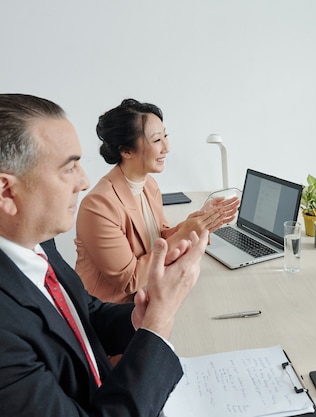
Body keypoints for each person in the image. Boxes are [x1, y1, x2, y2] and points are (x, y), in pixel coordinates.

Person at [0, 93, 209, 416]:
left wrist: (137, 318)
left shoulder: (39, 244)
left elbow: (85, 313)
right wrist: (159, 321)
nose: (83, 181)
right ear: (7, 191)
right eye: (69, 168)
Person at [75, 98, 238, 303]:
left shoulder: (148, 185)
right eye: (157, 140)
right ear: (126, 151)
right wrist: (185, 233)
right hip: (110, 313)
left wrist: (199, 221)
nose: (166, 148)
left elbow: (158, 238)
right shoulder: (98, 205)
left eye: (165, 136)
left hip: (148, 296)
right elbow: (129, 280)